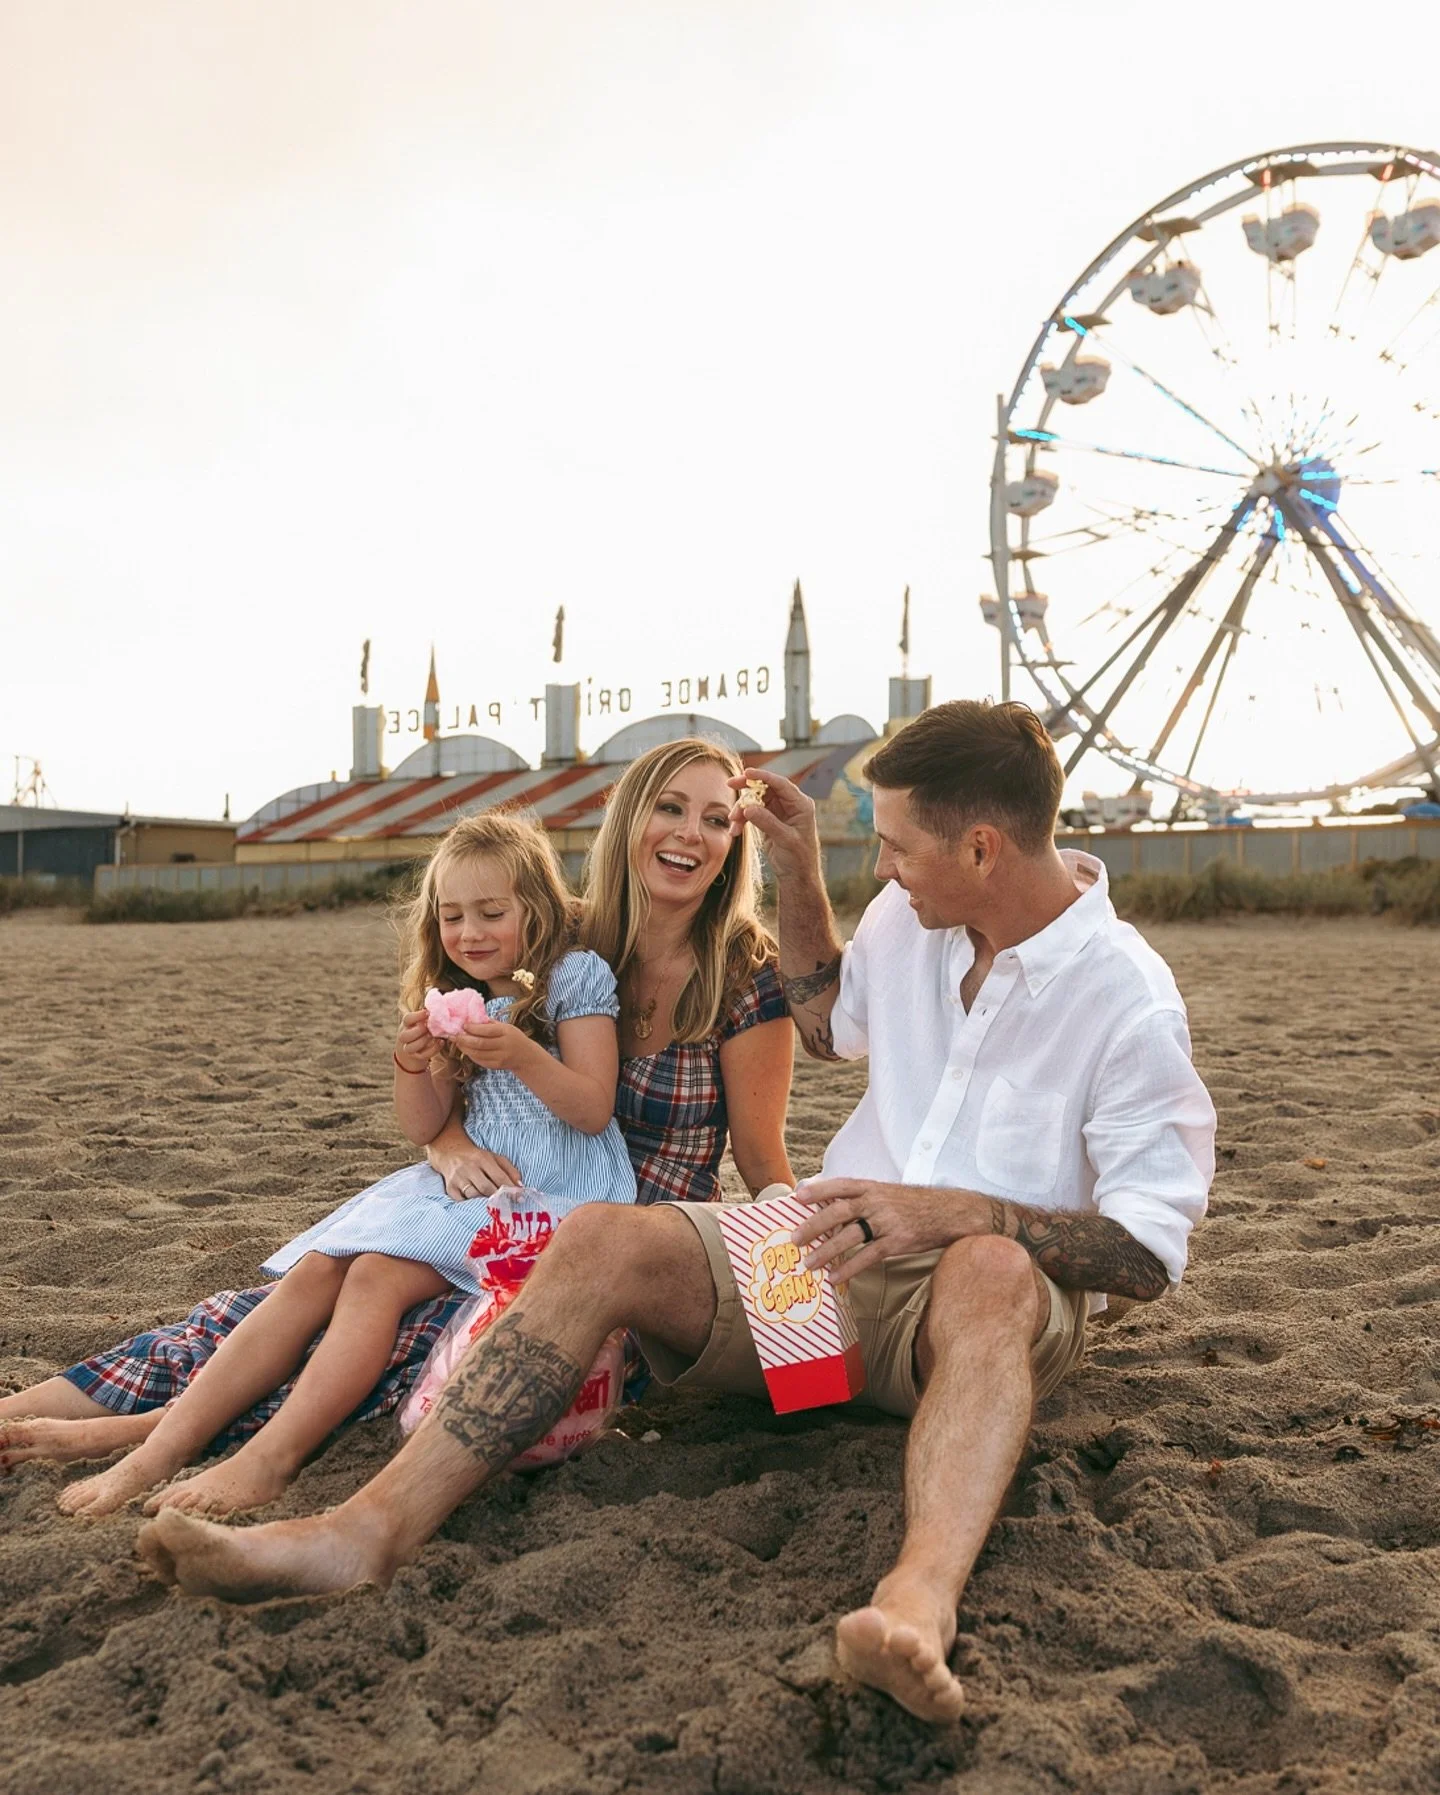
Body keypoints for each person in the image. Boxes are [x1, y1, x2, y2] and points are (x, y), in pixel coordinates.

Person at [137, 700, 1214, 1722]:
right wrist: (794, 867)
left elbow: (1147, 1254)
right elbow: (832, 1019)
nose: (880, 866)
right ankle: (359, 1532)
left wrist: (957, 1211)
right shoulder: (908, 916)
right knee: (603, 1237)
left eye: (894, 845)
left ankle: (914, 1603)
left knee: (987, 1266)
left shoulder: (1127, 997)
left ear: (980, 849)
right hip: (829, 1274)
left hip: (989, 1316)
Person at [0, 737, 794, 1482]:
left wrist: (802, 1341)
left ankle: (135, 1434)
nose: (691, 833)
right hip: (503, 1211)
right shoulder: (555, 933)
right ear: (630, 821)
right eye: (670, 808)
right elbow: (455, 1104)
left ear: (734, 844)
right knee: (278, 1300)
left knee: (410, 1340)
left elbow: (763, 1165)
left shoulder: (744, 972)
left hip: (626, 1258)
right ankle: (39, 1411)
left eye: (717, 818)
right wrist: (446, 1142)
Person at [54, 810, 637, 1520]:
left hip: (551, 1193)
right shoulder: (459, 991)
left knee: (372, 1275)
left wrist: (520, 1052)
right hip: (464, 1186)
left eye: (492, 912)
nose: (470, 932)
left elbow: (592, 1107)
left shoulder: (573, 975)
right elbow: (424, 1124)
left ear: (537, 910)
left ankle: (271, 1458)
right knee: (317, 1268)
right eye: (452, 916)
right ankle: (161, 1449)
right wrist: (411, 1060)